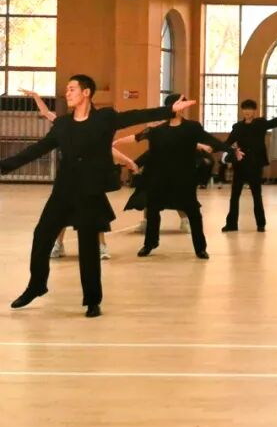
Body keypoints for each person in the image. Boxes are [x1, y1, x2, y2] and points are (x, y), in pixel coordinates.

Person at [2, 75, 196, 317]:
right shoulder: (63, 124)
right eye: (67, 89)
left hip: (90, 192)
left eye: (72, 89)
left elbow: (136, 116)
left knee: (88, 246)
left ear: (86, 92)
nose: (67, 93)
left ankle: (92, 300)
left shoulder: (104, 118)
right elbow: (37, 149)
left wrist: (169, 110)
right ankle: (37, 285)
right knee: (41, 235)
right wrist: (4, 166)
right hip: (63, 192)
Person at [20, 87, 137, 261]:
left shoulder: (96, 132)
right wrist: (36, 96)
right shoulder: (66, 125)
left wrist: (129, 161)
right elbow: (46, 113)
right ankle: (58, 245)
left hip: (90, 182)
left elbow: (110, 150)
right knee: (61, 215)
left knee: (97, 216)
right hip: (69, 181)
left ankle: (101, 247)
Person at [114, 94, 236, 259]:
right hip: (159, 177)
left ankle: (200, 248)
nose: (182, 107)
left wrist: (231, 150)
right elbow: (137, 137)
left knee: (193, 212)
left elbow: (211, 140)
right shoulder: (157, 129)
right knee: (153, 210)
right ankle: (150, 243)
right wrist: (115, 142)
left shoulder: (192, 127)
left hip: (184, 177)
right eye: (178, 104)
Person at [221, 100, 277, 232]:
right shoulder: (237, 127)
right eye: (245, 109)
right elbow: (227, 143)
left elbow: (276, 122)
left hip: (255, 164)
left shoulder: (260, 123)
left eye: (250, 109)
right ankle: (231, 224)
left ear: (254, 111)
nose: (247, 111)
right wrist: (212, 147)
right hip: (240, 165)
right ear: (242, 110)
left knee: (256, 195)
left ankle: (261, 224)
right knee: (234, 196)